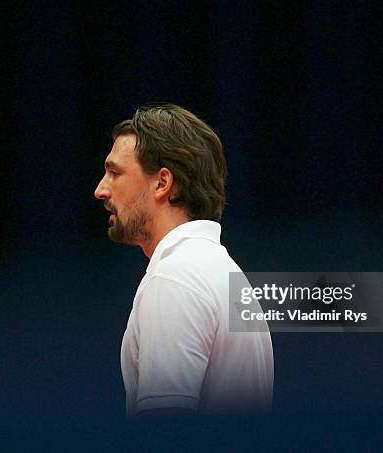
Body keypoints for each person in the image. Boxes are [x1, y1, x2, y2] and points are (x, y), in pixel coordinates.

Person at [94, 104, 273, 416]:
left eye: (115, 173)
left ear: (162, 183)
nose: (101, 190)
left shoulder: (175, 278)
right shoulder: (223, 273)